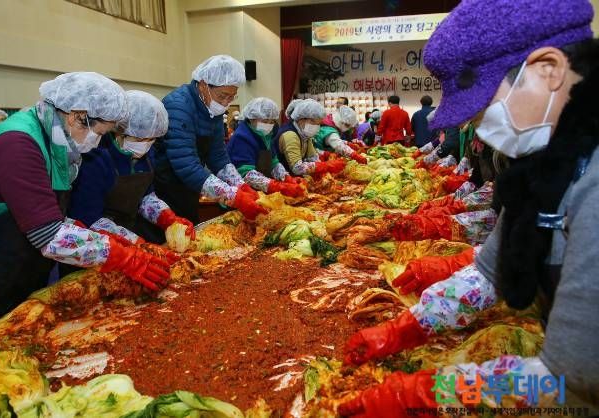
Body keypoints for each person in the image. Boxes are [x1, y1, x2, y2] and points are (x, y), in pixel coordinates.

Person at [339, 0, 599, 415]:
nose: (480, 130)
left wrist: (427, 392)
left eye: (484, 112)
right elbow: (490, 271)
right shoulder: (546, 167)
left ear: (549, 69)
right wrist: (407, 327)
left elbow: (569, 378)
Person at [0, 72, 176, 333]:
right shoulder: (17, 144)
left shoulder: (54, 142)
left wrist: (106, 237)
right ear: (76, 116)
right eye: (99, 132)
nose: (97, 142)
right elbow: (48, 234)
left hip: (17, 265)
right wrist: (119, 255)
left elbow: (51, 212)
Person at [68, 90, 195, 252]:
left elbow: (145, 196)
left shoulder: (148, 155)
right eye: (140, 139)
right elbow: (89, 218)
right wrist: (135, 242)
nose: (146, 145)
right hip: (93, 244)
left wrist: (167, 218)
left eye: (152, 139)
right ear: (119, 131)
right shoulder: (95, 157)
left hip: (129, 227)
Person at [154, 55, 267, 223]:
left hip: (190, 186)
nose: (226, 103)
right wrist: (234, 196)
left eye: (231, 97)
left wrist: (240, 185)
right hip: (165, 189)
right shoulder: (179, 106)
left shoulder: (212, 109)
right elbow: (186, 164)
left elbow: (218, 156)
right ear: (203, 85)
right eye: (222, 96)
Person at [226, 97, 304, 198]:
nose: (269, 125)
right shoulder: (242, 137)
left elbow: (273, 161)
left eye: (272, 122)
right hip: (242, 194)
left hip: (262, 191)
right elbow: (246, 174)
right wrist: (276, 186)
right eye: (265, 121)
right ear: (252, 118)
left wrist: (285, 177)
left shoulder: (268, 134)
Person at [273, 99, 346, 177]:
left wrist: (324, 170)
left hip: (296, 178)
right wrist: (327, 166)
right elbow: (297, 168)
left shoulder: (305, 135)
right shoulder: (290, 135)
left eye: (319, 124)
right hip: (284, 180)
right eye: (314, 122)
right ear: (301, 119)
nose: (317, 127)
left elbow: (313, 157)